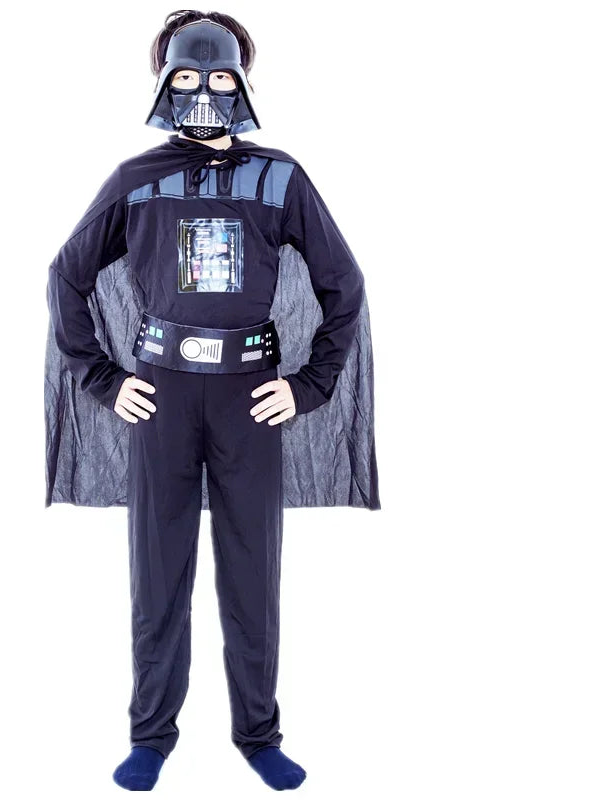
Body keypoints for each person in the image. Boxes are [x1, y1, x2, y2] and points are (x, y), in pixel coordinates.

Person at [45, 9, 380, 791]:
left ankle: (258, 734)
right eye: (189, 75)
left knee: (252, 573)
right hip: (160, 396)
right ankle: (151, 736)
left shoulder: (280, 177)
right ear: (164, 81)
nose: (205, 90)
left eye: (221, 74)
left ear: (244, 82)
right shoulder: (135, 180)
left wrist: (308, 385)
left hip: (248, 399)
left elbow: (344, 284)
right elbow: (66, 275)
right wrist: (104, 378)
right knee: (157, 573)